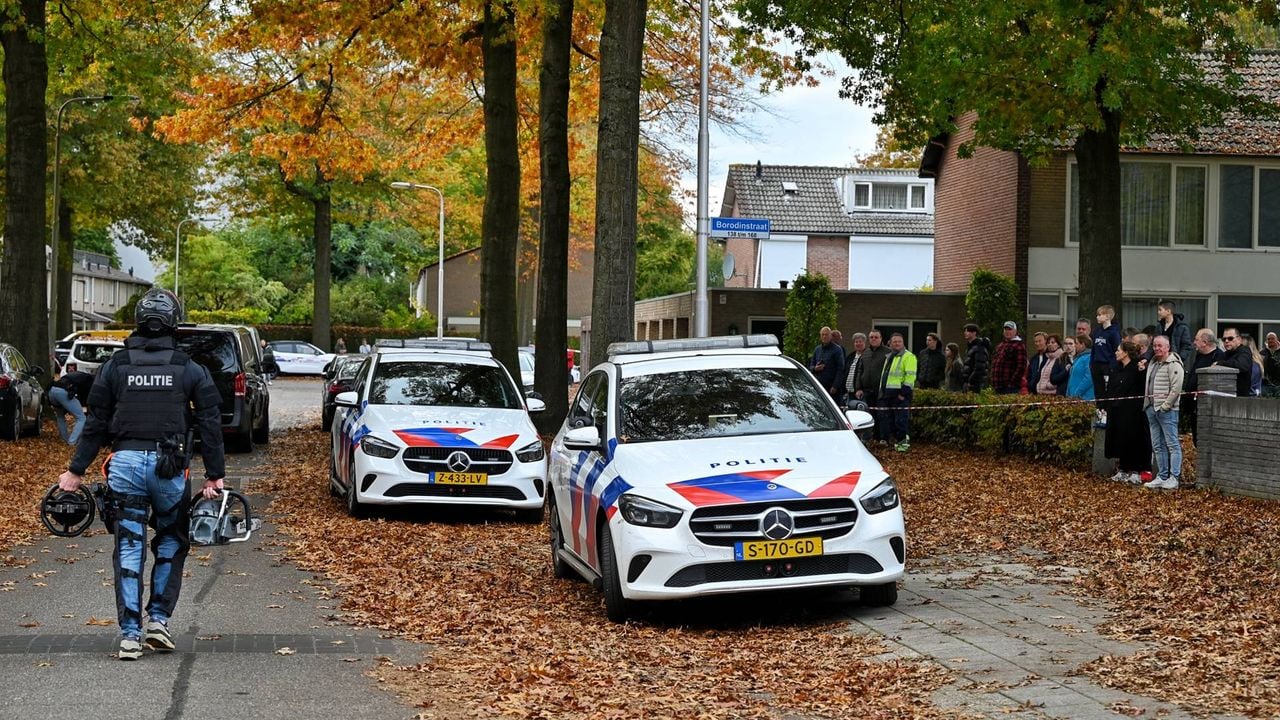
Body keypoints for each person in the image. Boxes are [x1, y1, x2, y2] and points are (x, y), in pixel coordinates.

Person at [56, 288, 226, 661]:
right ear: (174, 324)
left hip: (126, 464)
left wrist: (76, 471)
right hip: (170, 468)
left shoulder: (115, 367)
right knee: (170, 541)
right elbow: (210, 421)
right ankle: (158, 623)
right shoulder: (189, 369)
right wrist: (215, 476)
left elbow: (96, 422)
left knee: (129, 546)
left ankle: (130, 635)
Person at [1103, 340, 1151, 484]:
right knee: (1120, 439)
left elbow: (1142, 387)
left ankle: (1136, 470)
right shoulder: (1116, 368)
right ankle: (1123, 469)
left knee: (1134, 440)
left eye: (1119, 350)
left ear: (1125, 352)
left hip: (1133, 411)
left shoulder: (1137, 368)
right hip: (1117, 409)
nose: (1116, 352)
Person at [1143, 335, 1184, 490]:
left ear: (1168, 347)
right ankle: (1162, 475)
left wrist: (1165, 406)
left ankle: (1174, 477)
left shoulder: (1174, 364)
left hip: (1167, 411)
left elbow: (1176, 389)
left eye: (1160, 346)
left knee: (1172, 444)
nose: (1157, 348)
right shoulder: (1153, 363)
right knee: (1157, 445)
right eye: (1155, 345)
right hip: (1151, 408)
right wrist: (1148, 406)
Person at [878, 333, 917, 452]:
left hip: (900, 395)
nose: (897, 344)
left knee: (901, 421)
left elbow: (910, 377)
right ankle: (898, 442)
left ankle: (903, 445)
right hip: (888, 394)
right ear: (890, 343)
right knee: (891, 421)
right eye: (894, 341)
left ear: (903, 343)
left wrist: (903, 394)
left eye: (899, 341)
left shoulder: (908, 356)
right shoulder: (890, 356)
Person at [1182, 328, 1223, 442]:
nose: (1194, 342)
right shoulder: (1199, 355)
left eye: (1196, 339)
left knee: (1204, 440)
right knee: (1196, 439)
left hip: (1206, 409)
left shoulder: (1219, 357)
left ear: (1205, 342)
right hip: (1194, 408)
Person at [855, 330, 890, 440]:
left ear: (881, 339)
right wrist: (858, 388)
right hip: (866, 390)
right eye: (871, 337)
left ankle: (883, 438)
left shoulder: (888, 352)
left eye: (876, 337)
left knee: (882, 415)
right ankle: (871, 438)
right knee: (869, 415)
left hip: (881, 390)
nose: (873, 339)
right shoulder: (865, 353)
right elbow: (860, 370)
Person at [48, 369, 94, 445]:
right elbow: (84, 396)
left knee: (60, 416)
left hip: (52, 391)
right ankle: (72, 442)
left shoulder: (77, 375)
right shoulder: (90, 381)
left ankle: (65, 439)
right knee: (81, 418)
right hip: (63, 392)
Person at [1090, 305, 1121, 402]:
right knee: (1098, 391)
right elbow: (1094, 349)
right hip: (1096, 365)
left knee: (1107, 391)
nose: (1097, 317)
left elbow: (1116, 349)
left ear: (1107, 316)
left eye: (1100, 315)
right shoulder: (1097, 331)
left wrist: (1112, 366)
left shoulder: (1113, 333)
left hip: (1107, 366)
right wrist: (1091, 363)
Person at [1214, 327, 1254, 397]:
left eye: (1230, 338)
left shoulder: (1244, 351)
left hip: (1240, 399)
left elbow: (1242, 365)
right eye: (1224, 339)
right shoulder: (1224, 354)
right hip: (1224, 396)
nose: (1226, 341)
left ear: (1239, 340)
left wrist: (1221, 363)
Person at [807, 326, 844, 400]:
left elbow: (840, 369)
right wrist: (815, 368)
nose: (824, 336)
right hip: (819, 386)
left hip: (831, 387)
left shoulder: (837, 350)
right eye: (822, 335)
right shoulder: (817, 349)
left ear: (830, 336)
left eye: (826, 334)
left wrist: (835, 385)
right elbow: (810, 366)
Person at [990, 321, 1027, 394]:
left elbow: (1021, 366)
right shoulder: (1000, 345)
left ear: (1015, 331)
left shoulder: (1019, 345)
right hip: (997, 386)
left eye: (1010, 329)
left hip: (1010, 387)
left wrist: (1012, 383)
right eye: (1005, 329)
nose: (1007, 331)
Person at [1155, 300, 1193, 366]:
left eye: (1160, 310)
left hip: (1174, 362)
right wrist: (1146, 358)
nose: (1158, 312)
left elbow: (1187, 346)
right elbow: (1153, 343)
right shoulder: (1159, 327)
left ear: (1168, 311)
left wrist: (1179, 359)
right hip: (1159, 361)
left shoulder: (1182, 327)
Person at [960, 323, 990, 392]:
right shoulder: (970, 347)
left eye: (967, 331)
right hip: (968, 384)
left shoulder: (979, 348)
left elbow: (979, 367)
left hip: (974, 385)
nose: (965, 333)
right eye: (964, 331)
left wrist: (971, 382)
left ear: (974, 333)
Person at [840, 333, 867, 407]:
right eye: (856, 342)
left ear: (864, 343)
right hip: (848, 392)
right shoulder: (850, 356)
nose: (858, 344)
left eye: (860, 342)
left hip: (859, 393)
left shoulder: (867, 356)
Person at [1066, 333, 1095, 400]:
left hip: (1084, 398)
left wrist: (1076, 394)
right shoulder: (1078, 358)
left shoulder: (1089, 358)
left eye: (1076, 343)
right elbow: (1072, 378)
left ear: (1083, 345)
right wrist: (1068, 394)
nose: (1075, 346)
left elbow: (1089, 378)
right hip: (1073, 398)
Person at [1262, 332, 1280, 398]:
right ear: (1266, 341)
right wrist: (1268, 351)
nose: (1270, 340)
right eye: (1269, 339)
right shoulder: (1263, 352)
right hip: (1266, 384)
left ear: (1277, 340)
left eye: (1272, 338)